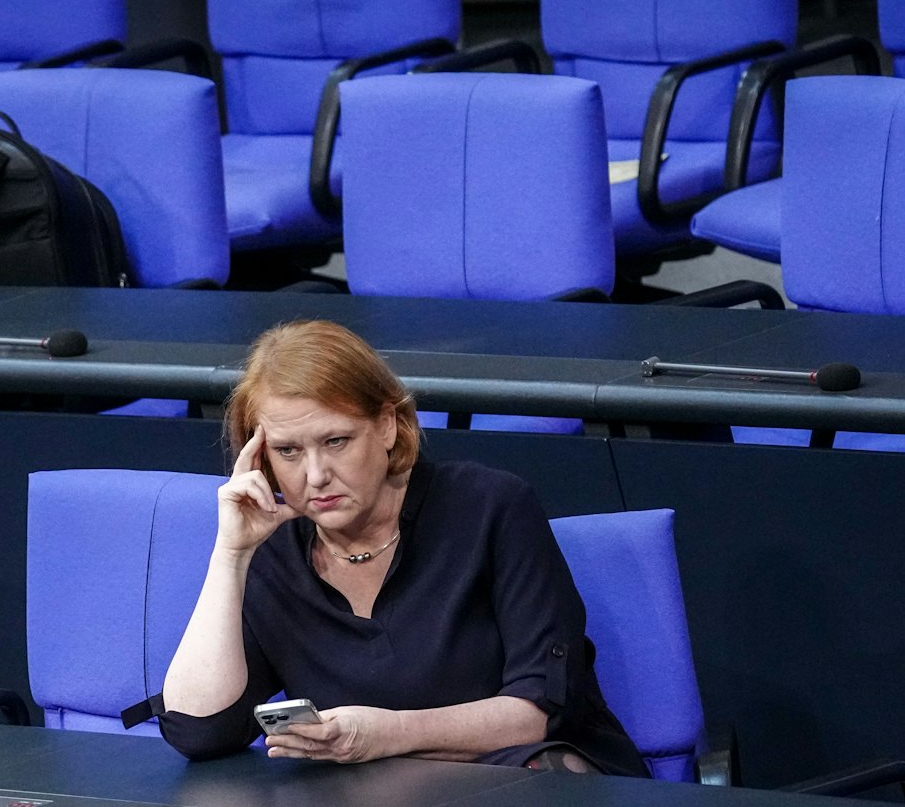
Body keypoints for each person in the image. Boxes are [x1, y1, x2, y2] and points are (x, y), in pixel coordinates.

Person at [159, 319, 644, 777]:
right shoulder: (272, 550)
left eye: (336, 441)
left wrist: (387, 734)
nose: (315, 475)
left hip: (526, 796)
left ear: (388, 426)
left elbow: (538, 714)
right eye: (288, 451)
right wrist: (231, 555)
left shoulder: (489, 508)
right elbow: (200, 730)